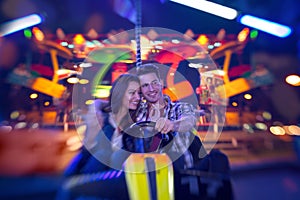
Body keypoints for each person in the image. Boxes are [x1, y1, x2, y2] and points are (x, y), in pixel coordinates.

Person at [63, 73, 141, 176]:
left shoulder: (138, 121)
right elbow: (88, 149)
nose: (138, 97)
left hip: (119, 179)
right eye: (132, 93)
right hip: (93, 175)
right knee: (102, 153)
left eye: (139, 93)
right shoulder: (102, 117)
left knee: (117, 155)